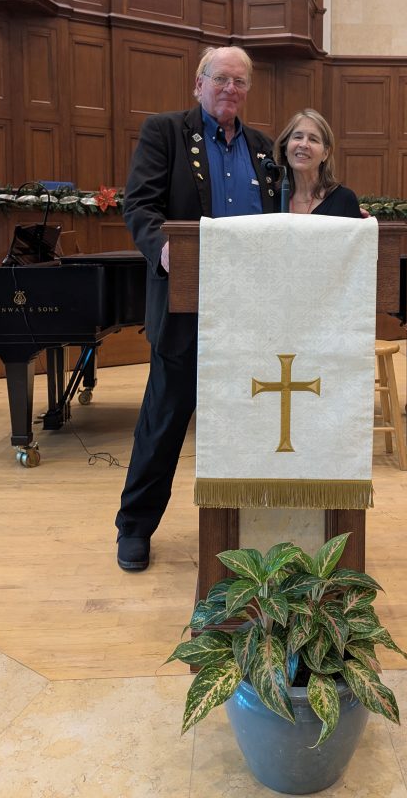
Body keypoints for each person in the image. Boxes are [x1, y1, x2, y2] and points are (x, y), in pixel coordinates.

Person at [115, 46, 280, 571]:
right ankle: (134, 528)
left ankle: (250, 529)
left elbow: (288, 211)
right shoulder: (165, 132)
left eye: (240, 81)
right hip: (186, 307)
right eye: (221, 78)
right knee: (163, 424)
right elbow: (139, 204)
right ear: (199, 82)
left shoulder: (260, 147)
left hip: (251, 315)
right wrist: (161, 247)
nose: (231, 88)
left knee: (249, 427)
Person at [272, 108, 364, 217]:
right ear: (285, 149)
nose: (304, 144)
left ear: (325, 153)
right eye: (298, 137)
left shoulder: (344, 200)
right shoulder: (271, 198)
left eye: (313, 139)